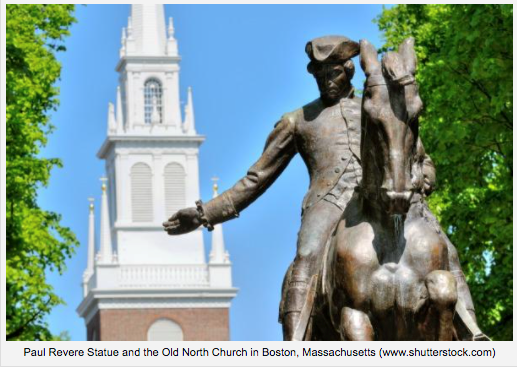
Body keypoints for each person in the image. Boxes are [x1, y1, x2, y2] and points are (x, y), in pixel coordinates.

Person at [163, 35, 478, 341]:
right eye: (320, 74)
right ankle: (296, 343)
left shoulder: (376, 103)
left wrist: (426, 174)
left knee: (442, 246)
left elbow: (414, 149)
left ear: (349, 70)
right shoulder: (297, 121)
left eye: (334, 72)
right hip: (328, 203)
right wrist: (206, 214)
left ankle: (471, 330)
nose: (327, 80)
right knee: (307, 256)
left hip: (384, 194)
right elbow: (257, 178)